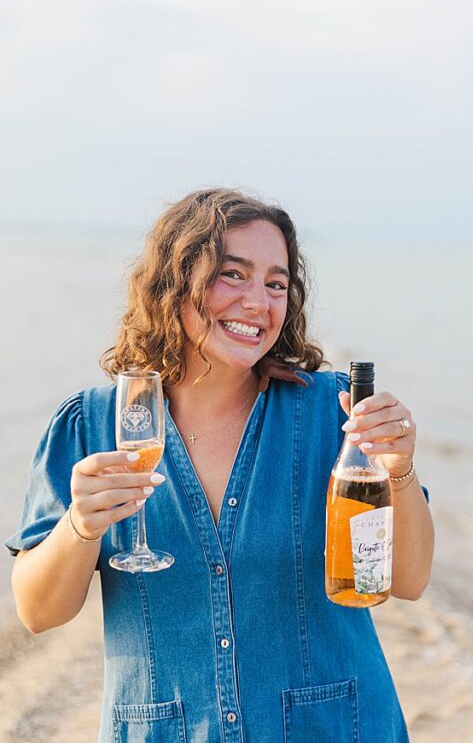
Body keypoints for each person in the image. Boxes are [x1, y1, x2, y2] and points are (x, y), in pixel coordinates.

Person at [7, 189, 435, 741]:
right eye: (233, 275)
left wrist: (399, 468)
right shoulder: (90, 426)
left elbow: (409, 581)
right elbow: (38, 614)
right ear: (174, 282)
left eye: (276, 284)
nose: (259, 301)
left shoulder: (337, 414)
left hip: (333, 726)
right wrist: (80, 527)